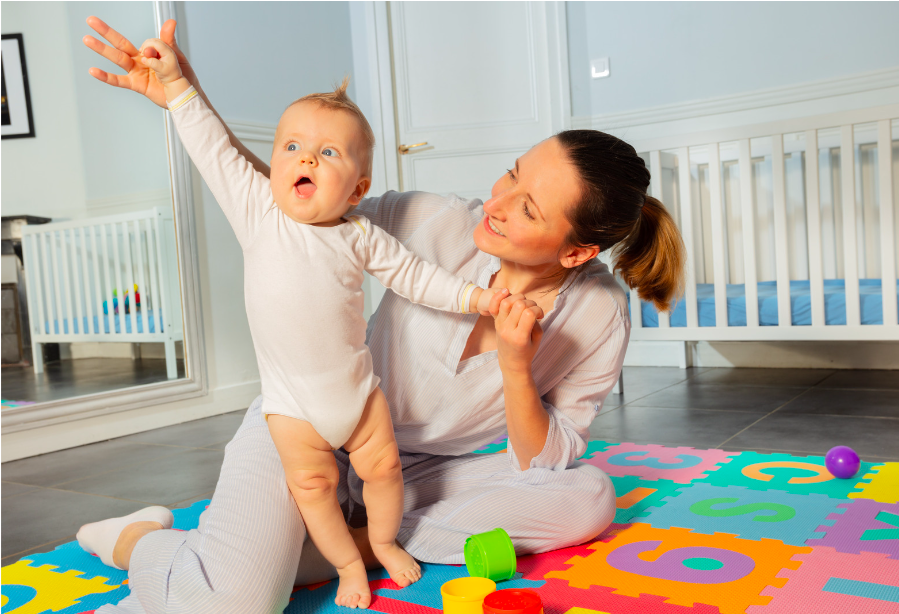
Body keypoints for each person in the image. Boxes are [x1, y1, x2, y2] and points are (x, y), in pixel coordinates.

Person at [78, 16, 685, 614]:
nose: (495, 202)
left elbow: (545, 458)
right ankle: (144, 541)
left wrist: (518, 368)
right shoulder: (433, 220)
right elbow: (290, 198)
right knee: (233, 604)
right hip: (308, 428)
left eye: (525, 208)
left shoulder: (599, 313)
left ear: (576, 251)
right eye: (512, 172)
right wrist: (184, 94)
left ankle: (340, 547)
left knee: (588, 498)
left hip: (421, 474)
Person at [77, 36, 507, 609]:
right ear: (275, 164)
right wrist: (178, 88)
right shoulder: (259, 213)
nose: (306, 158)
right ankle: (349, 565)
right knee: (315, 491)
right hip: (293, 410)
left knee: (383, 472)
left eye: (328, 153)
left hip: (359, 398)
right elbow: (213, 150)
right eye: (293, 147)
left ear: (357, 188)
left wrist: (479, 297)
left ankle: (382, 541)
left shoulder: (360, 235)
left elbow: (419, 278)